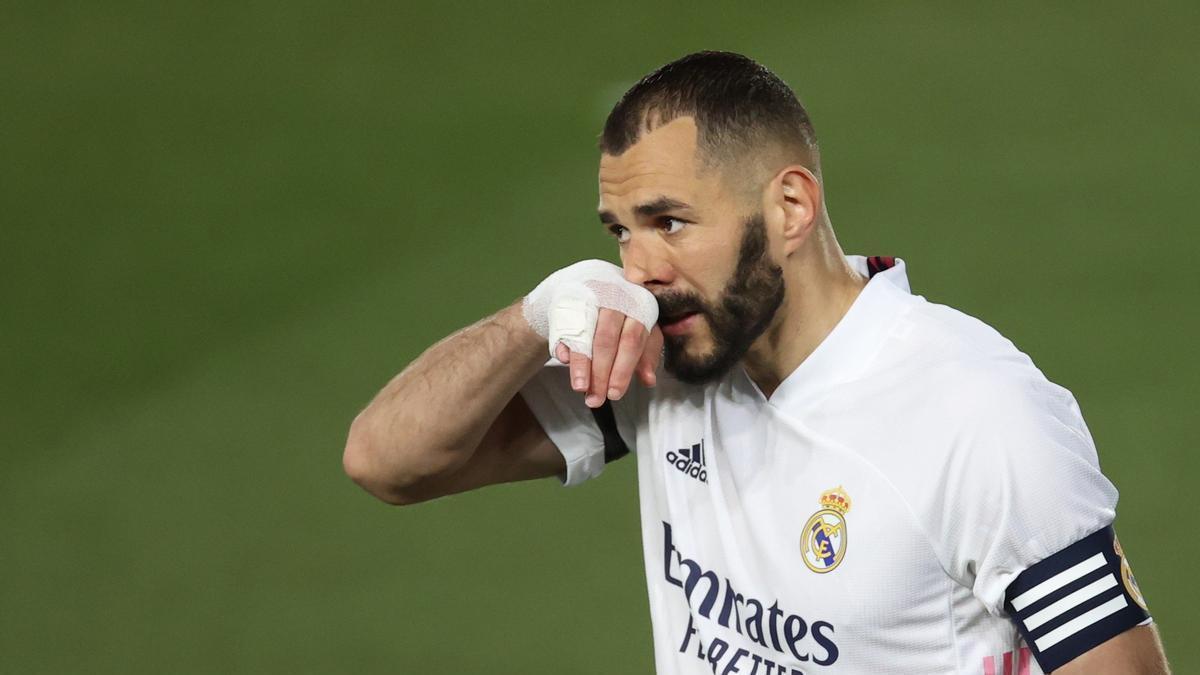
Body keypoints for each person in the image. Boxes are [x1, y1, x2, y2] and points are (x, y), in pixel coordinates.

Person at [343, 52, 1170, 674]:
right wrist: (536, 313)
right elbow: (388, 460)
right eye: (619, 230)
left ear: (790, 207)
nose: (639, 269)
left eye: (669, 222)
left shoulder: (979, 415)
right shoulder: (663, 362)